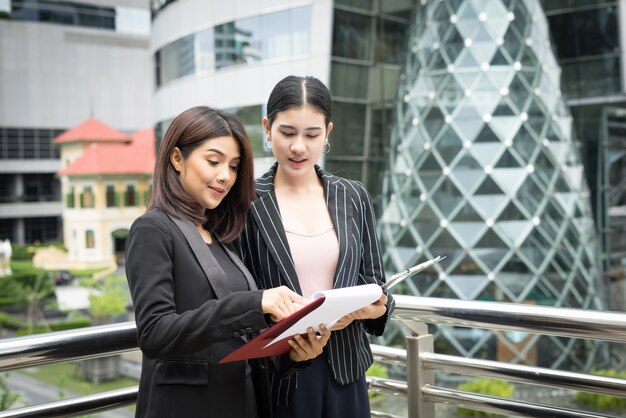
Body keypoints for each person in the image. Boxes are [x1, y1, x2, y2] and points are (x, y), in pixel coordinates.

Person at [125, 106, 330, 418]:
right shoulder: (153, 229)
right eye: (213, 161)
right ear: (177, 159)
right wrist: (254, 302)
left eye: (234, 167)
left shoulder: (219, 236)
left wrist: (295, 353)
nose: (226, 176)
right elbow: (155, 333)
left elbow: (237, 339)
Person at [238, 76, 395, 418]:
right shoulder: (246, 202)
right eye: (287, 132)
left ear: (328, 133)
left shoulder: (352, 196)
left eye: (311, 135)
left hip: (345, 370)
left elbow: (375, 281)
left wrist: (377, 307)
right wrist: (290, 347)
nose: (299, 147)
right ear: (267, 128)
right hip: (283, 375)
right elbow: (240, 296)